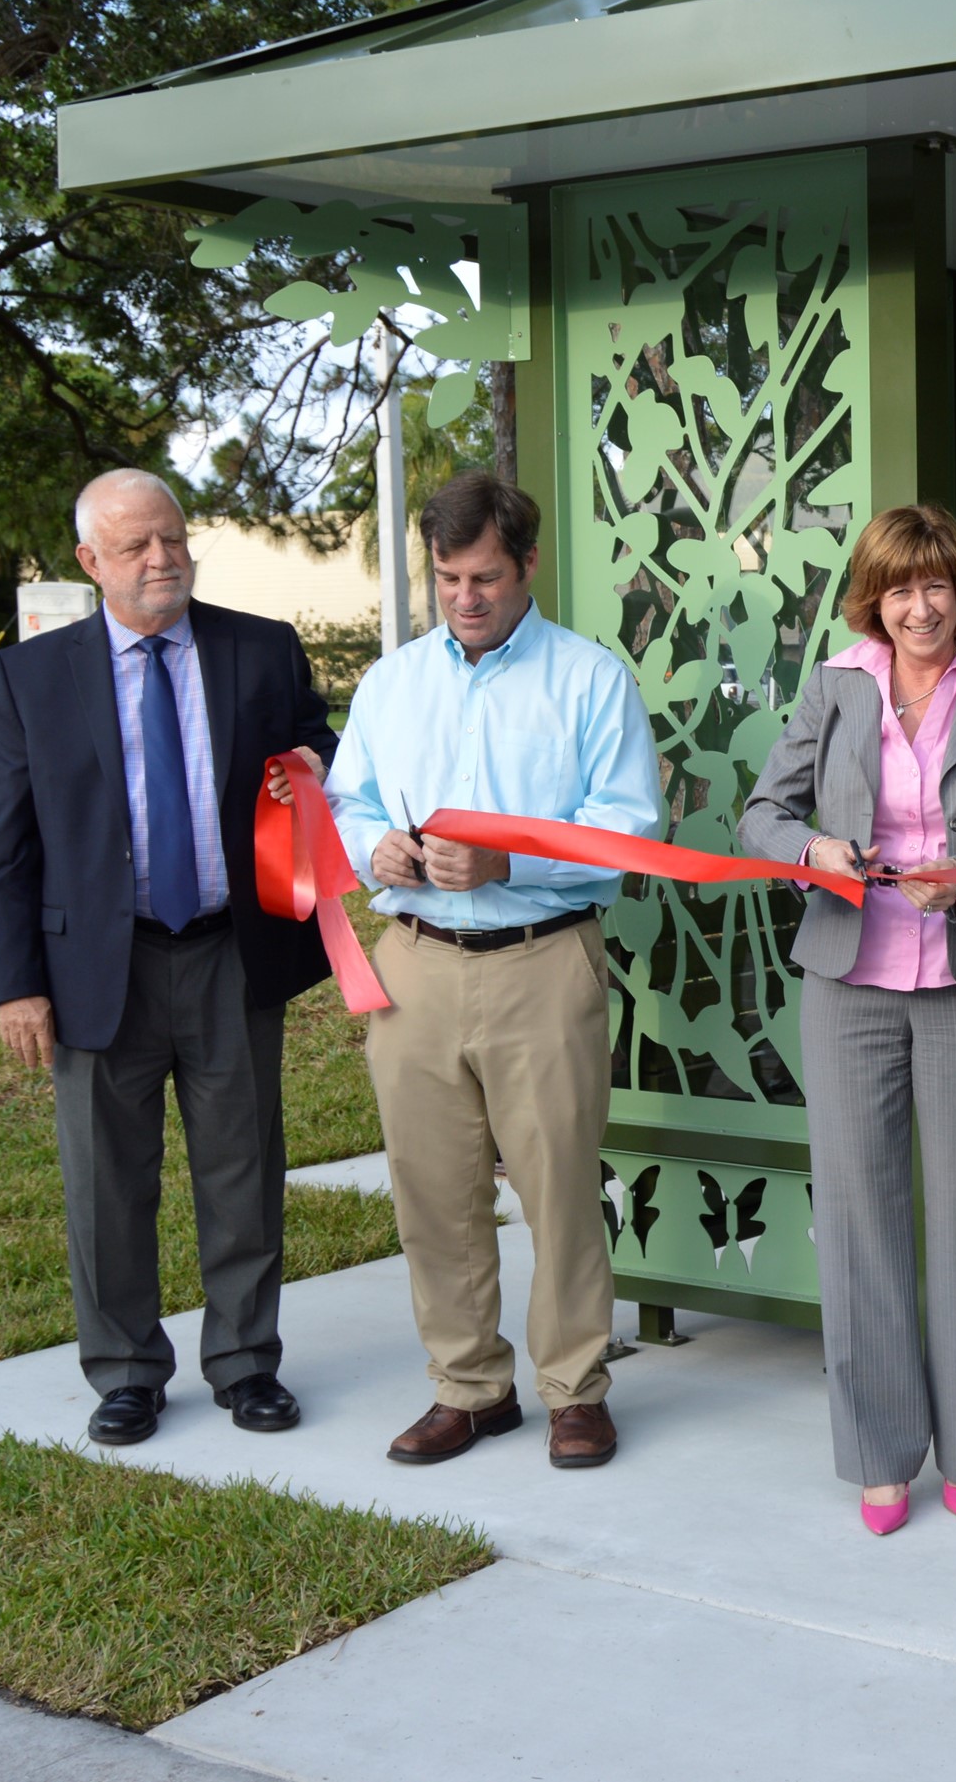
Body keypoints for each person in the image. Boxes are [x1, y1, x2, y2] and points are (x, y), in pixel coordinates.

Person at [0, 468, 338, 1447]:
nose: (162, 557)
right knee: (106, 1183)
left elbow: (316, 751)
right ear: (90, 561)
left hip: (230, 953)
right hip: (97, 968)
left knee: (243, 1169)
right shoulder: (30, 678)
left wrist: (316, 766)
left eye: (172, 537)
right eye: (135, 545)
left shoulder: (259, 649)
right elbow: (3, 849)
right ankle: (126, 1370)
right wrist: (17, 985)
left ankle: (245, 1361)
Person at [321, 471, 663, 1470]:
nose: (464, 596)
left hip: (542, 960)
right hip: (415, 965)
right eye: (447, 577)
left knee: (559, 1189)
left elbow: (628, 829)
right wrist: (374, 845)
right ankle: (468, 1388)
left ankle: (575, 1390)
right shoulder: (391, 684)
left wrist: (510, 862)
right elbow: (346, 800)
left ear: (527, 566)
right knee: (432, 1192)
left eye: (484, 577)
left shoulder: (589, 680)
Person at [737, 504, 956, 1535]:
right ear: (871, 600)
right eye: (899, 588)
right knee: (859, 1220)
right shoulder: (835, 687)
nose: (921, 607)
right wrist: (813, 852)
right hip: (848, 979)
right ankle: (880, 1454)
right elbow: (761, 814)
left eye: (937, 585)